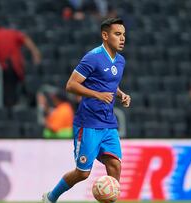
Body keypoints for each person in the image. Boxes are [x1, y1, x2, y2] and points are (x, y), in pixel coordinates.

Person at [42, 18, 131, 203]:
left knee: (115, 164)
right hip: (88, 123)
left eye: (123, 34)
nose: (122, 38)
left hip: (108, 123)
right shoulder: (93, 57)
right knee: (82, 173)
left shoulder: (120, 61)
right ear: (105, 35)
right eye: (117, 34)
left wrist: (121, 94)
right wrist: (98, 95)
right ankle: (50, 197)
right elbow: (71, 85)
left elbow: (110, 83)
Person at [0, 21, 41, 107]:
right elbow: (25, 39)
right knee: (19, 86)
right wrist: (35, 52)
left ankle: (12, 111)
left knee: (10, 91)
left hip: (6, 66)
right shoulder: (11, 32)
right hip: (18, 65)